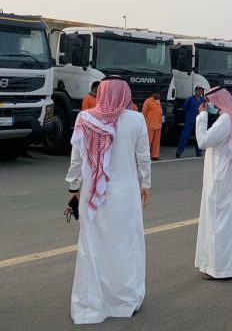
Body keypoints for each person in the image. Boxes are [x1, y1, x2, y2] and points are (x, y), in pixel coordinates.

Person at [65, 77, 151, 325]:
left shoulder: (85, 118)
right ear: (125, 95)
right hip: (125, 196)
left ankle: (91, 305)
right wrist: (146, 184)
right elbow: (143, 157)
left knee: (93, 249)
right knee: (125, 246)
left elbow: (77, 159)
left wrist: (73, 188)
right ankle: (124, 302)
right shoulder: (136, 119)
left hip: (93, 194)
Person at [194, 86, 232, 280]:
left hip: (222, 176)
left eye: (209, 102)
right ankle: (229, 263)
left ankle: (221, 269)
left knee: (220, 222)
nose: (208, 105)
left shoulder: (226, 120)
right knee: (230, 221)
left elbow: (203, 141)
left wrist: (202, 116)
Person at [177, 86, 205, 158]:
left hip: (199, 121)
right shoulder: (190, 99)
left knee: (198, 137)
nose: (199, 92)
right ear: (195, 91)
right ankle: (179, 151)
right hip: (190, 120)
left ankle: (199, 152)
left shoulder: (203, 100)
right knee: (185, 136)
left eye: (201, 91)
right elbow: (185, 108)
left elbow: (204, 110)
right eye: (198, 91)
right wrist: (188, 116)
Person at [141, 87, 163, 161]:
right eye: (156, 93)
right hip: (149, 125)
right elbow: (143, 113)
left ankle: (155, 155)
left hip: (158, 125)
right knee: (148, 142)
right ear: (153, 94)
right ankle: (145, 155)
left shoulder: (158, 101)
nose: (157, 95)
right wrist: (143, 123)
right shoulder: (148, 101)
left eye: (158, 94)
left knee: (156, 142)